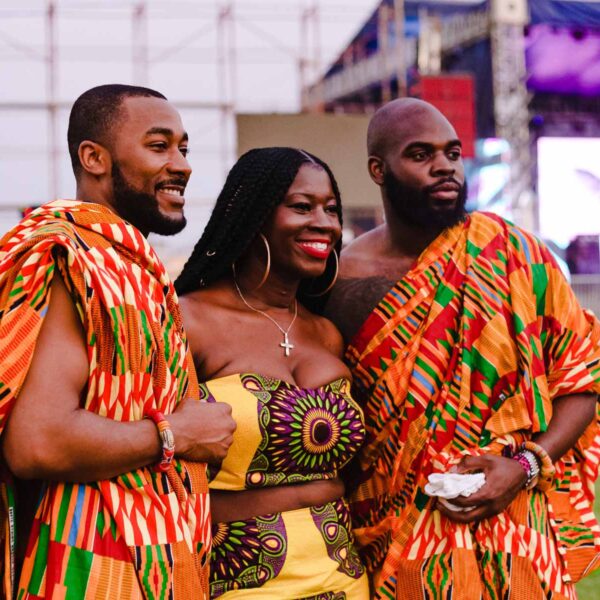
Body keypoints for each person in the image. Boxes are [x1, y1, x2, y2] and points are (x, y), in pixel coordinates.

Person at [324, 98, 600, 599]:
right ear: (378, 170)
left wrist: (523, 468)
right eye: (421, 154)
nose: (445, 165)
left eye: (452, 152)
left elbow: (581, 382)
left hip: (516, 522)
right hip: (395, 534)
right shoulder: (339, 280)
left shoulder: (518, 256)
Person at [0, 84, 236, 599]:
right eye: (159, 146)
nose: (182, 165)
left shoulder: (132, 266)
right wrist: (176, 435)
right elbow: (36, 442)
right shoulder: (76, 260)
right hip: (90, 568)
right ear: (94, 158)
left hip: (158, 562)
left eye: (184, 148)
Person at [175, 147, 369, 599]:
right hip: (237, 581)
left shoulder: (325, 333)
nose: (324, 222)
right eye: (302, 207)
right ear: (254, 215)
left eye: (331, 209)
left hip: (344, 578)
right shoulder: (188, 320)